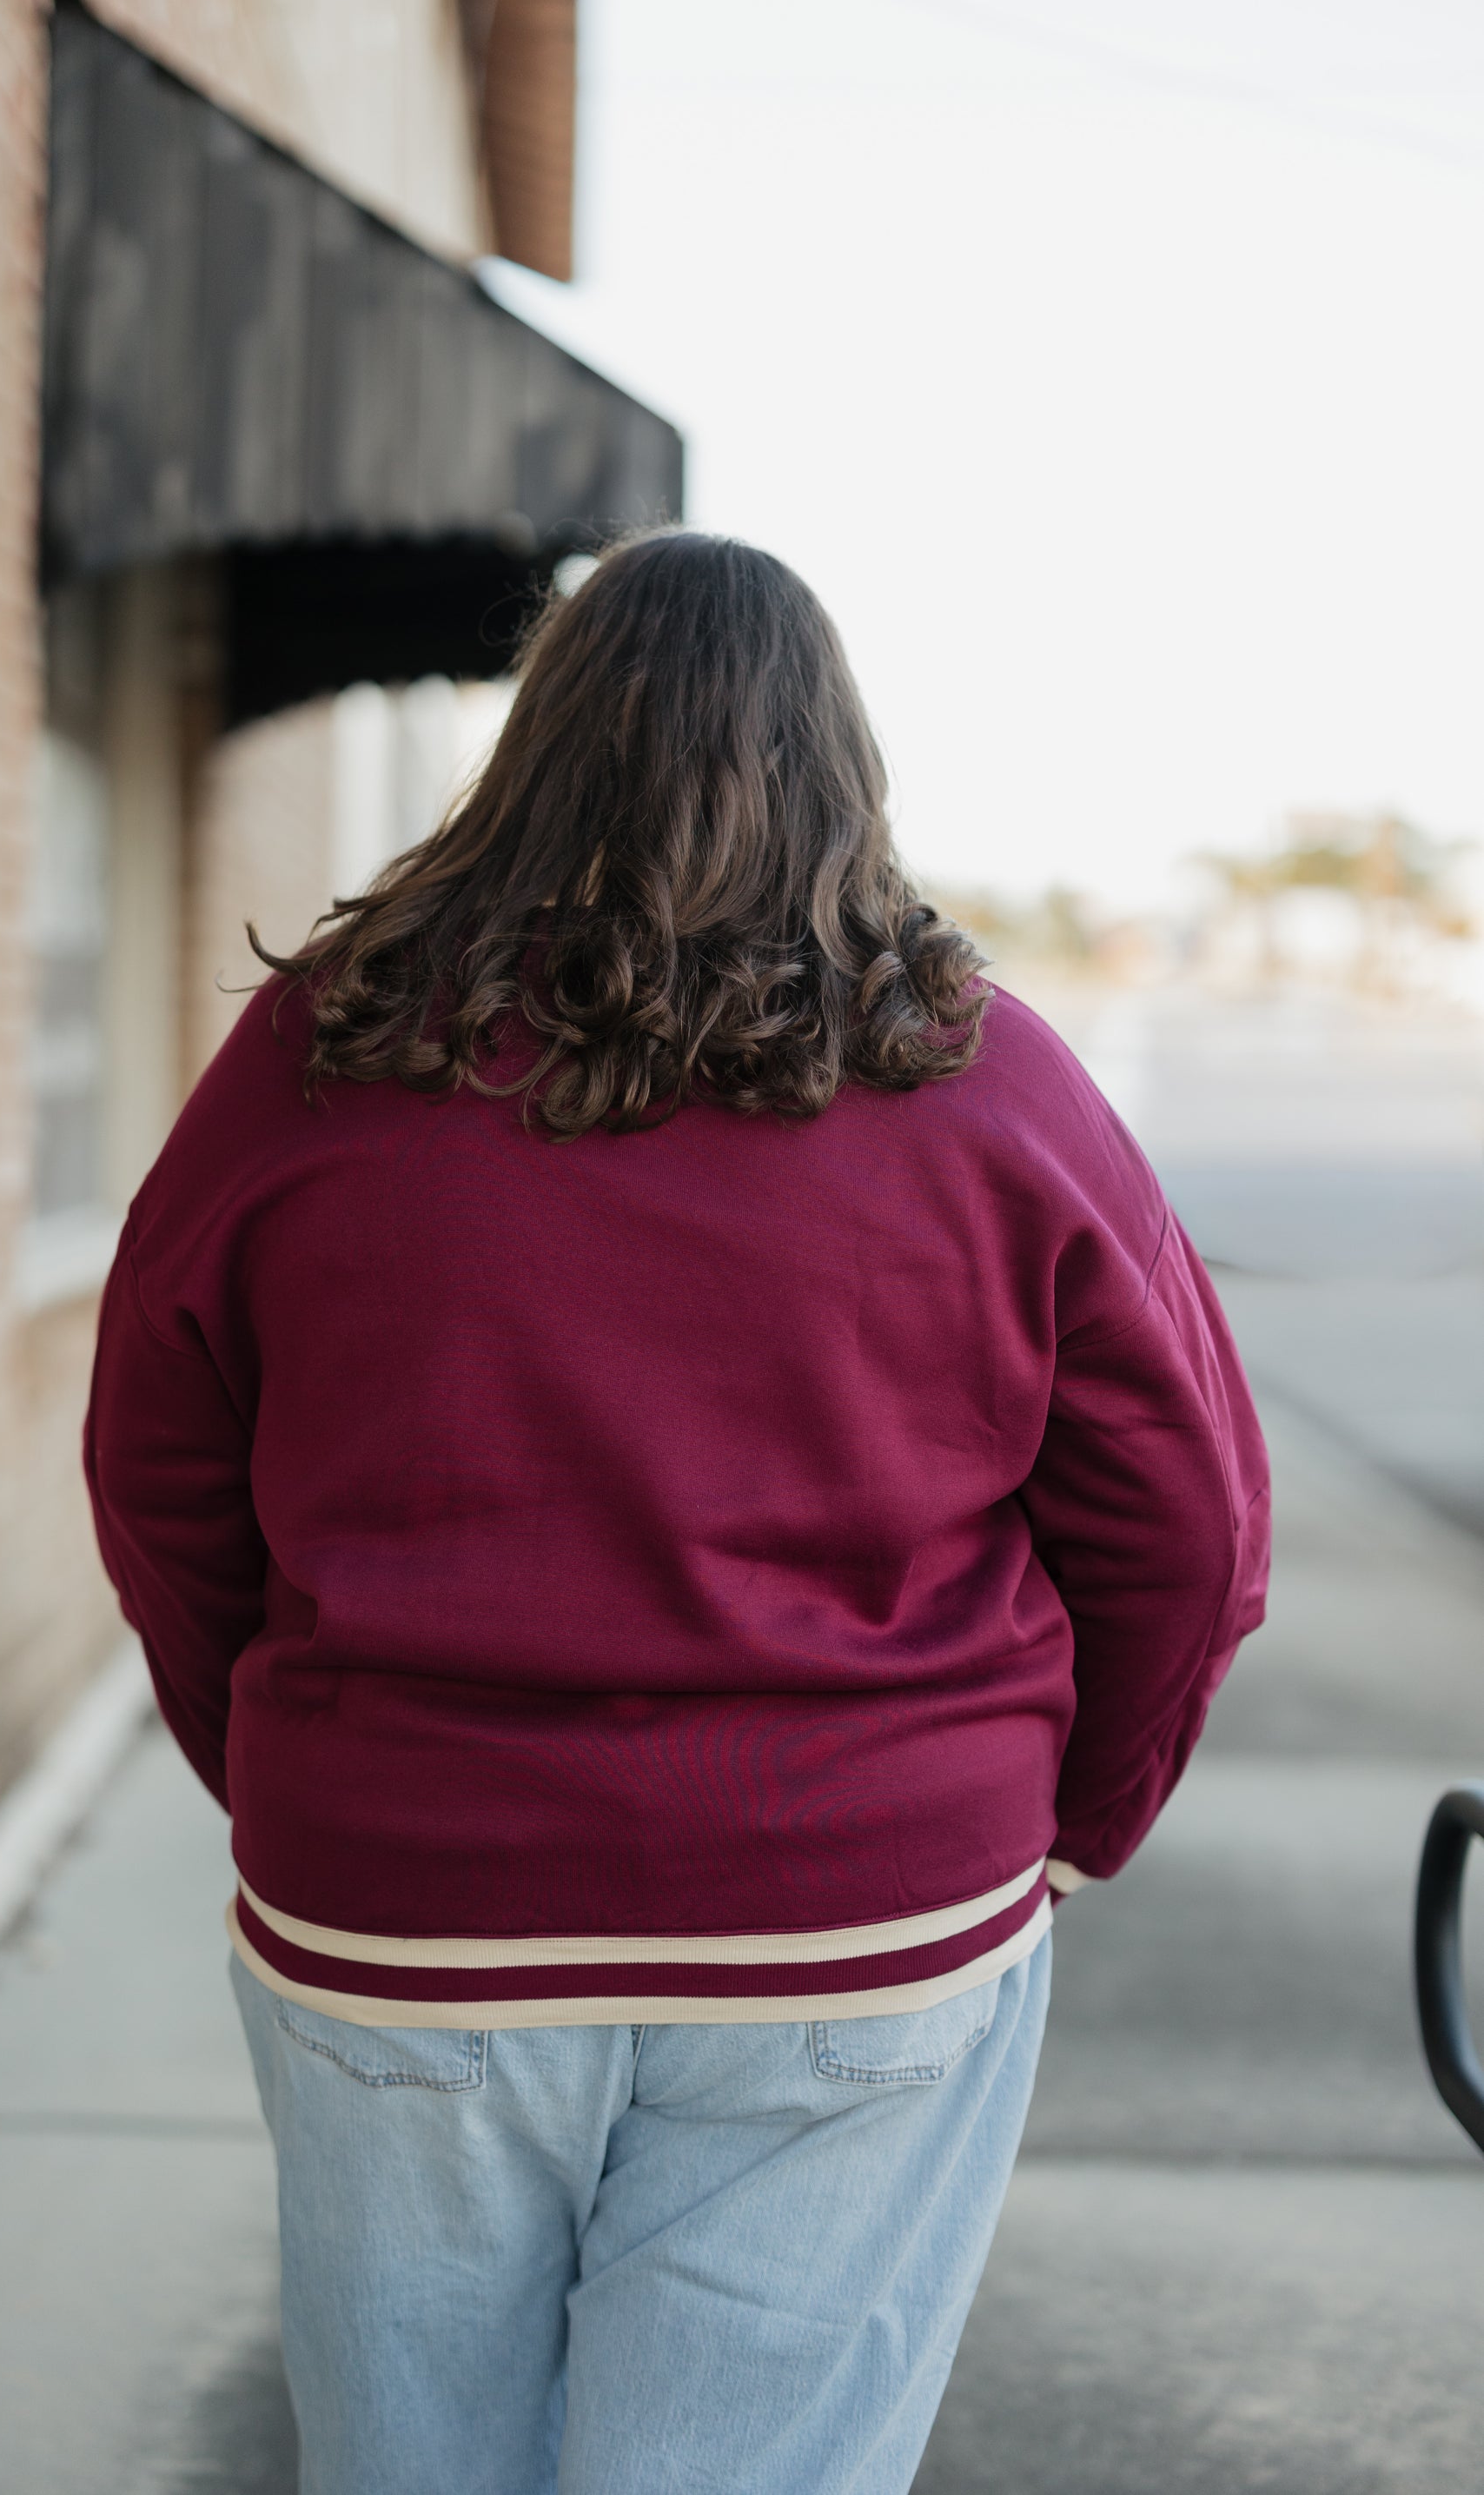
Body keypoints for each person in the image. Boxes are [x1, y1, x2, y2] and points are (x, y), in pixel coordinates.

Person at [84, 530, 1269, 2495]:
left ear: (539, 745)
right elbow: (1189, 1519)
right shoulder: (982, 1078)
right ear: (836, 763)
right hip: (856, 1910)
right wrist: (1077, 1820)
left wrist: (302, 1770)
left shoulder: (322, 1058)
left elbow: (156, 1469)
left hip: (407, 1902)